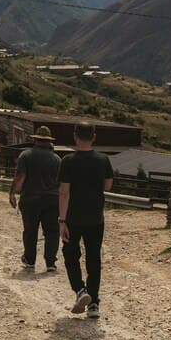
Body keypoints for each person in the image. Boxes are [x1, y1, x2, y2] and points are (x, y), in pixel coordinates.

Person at [59, 121, 114, 319]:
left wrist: (62, 221)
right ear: (94, 137)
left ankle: (80, 290)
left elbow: (64, 193)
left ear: (75, 136)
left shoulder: (67, 161)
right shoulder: (103, 160)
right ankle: (94, 305)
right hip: (95, 218)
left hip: (73, 217)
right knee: (93, 259)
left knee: (70, 255)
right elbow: (108, 186)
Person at [9, 125, 61, 272]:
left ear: (36, 139)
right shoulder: (57, 159)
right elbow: (60, 183)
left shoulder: (26, 155)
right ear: (49, 141)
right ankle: (50, 262)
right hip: (52, 200)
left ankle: (30, 259)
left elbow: (20, 177)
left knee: (30, 231)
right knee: (52, 231)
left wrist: (12, 193)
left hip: (30, 199)